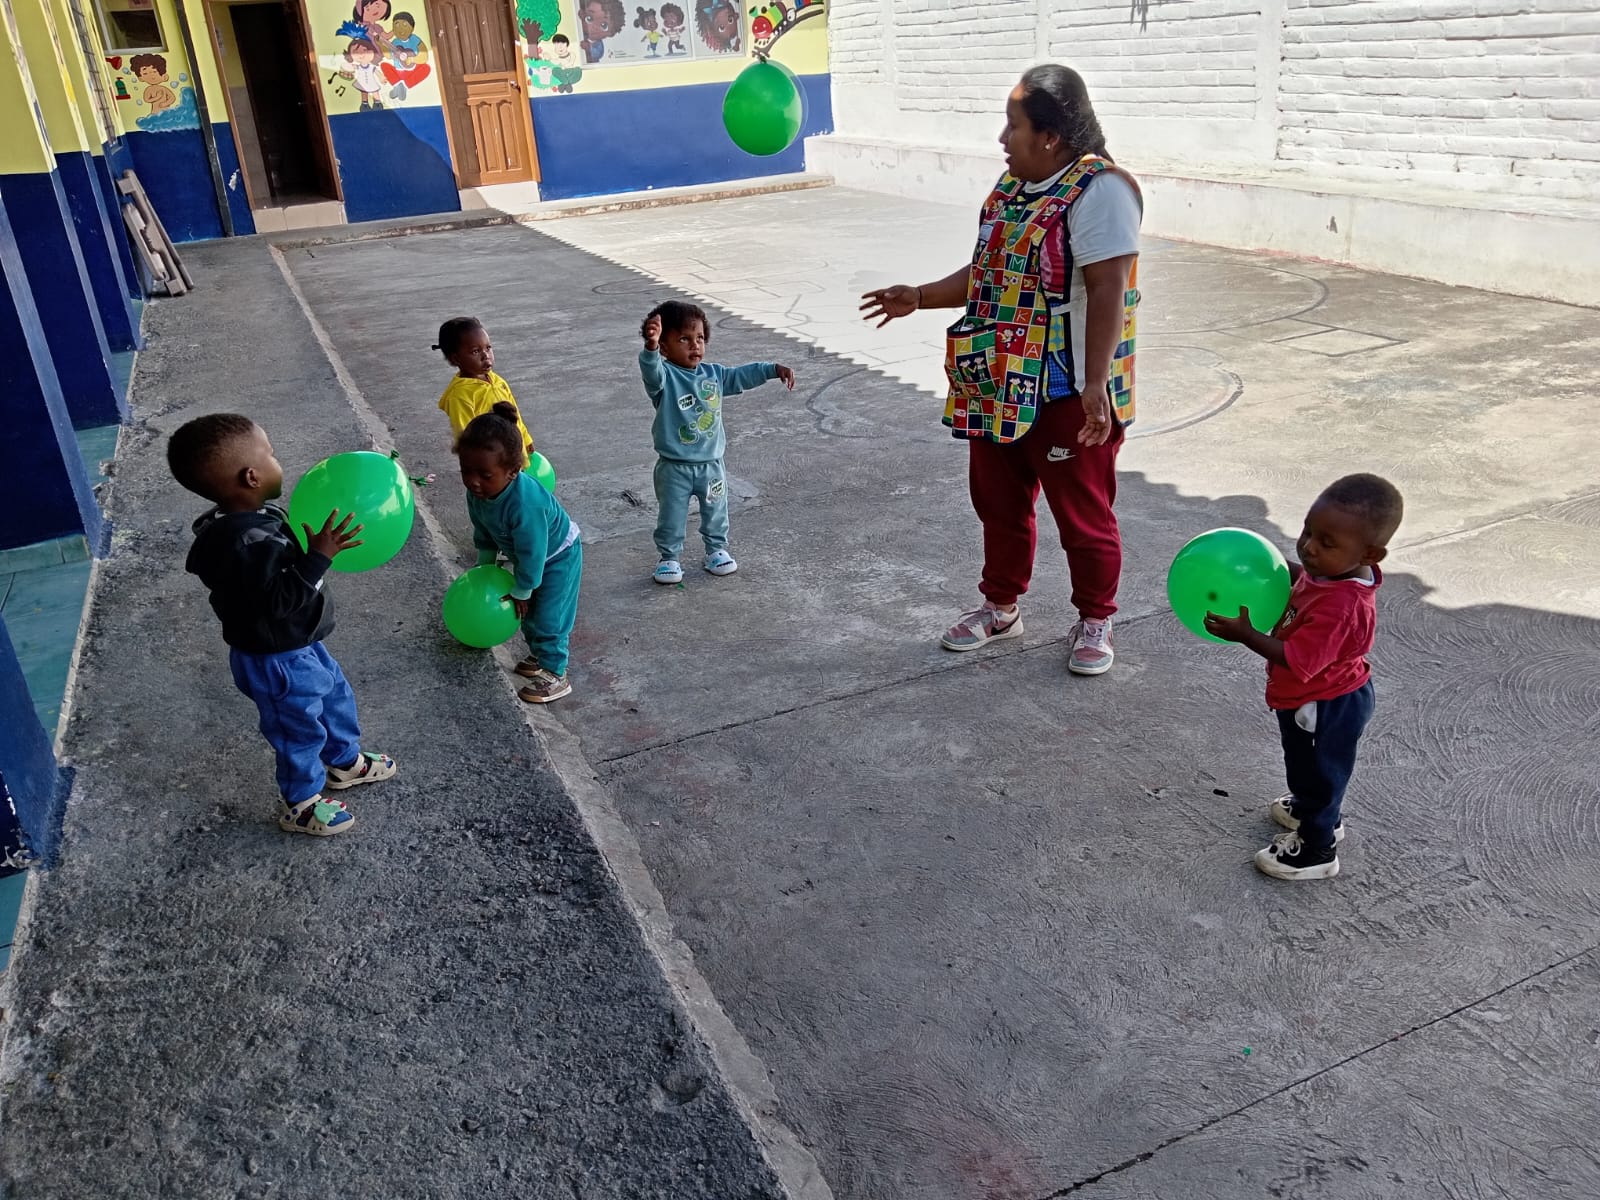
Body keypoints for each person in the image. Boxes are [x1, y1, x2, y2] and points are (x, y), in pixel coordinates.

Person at [860, 64, 1142, 677]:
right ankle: (1001, 607)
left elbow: (1108, 291)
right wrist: (921, 296)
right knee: (998, 503)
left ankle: (1096, 617)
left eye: (1013, 125)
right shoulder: (1014, 186)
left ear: (1051, 136)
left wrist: (1095, 385)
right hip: (994, 380)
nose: (1002, 138)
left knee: (1083, 515)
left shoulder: (1100, 191)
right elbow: (989, 273)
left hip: (1066, 388)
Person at [167, 414, 397, 837]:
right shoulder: (243, 543)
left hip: (299, 642)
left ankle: (344, 762)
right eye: (270, 454)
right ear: (251, 476)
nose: (278, 461)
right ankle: (301, 803)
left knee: (335, 697)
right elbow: (276, 601)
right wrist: (319, 557)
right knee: (297, 729)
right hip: (275, 659)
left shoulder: (251, 520)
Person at [1203, 475, 1404, 881]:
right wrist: (1276, 569)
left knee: (1318, 776)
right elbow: (1305, 581)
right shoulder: (1334, 571)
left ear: (1370, 553)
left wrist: (1247, 635)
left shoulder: (1341, 607)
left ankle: (1317, 847)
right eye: (1307, 532)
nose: (1310, 547)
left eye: (1326, 543)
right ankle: (1313, 810)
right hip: (1311, 698)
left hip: (1325, 705)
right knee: (1308, 768)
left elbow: (1298, 659)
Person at [638, 300, 795, 584]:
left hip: (711, 465)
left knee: (716, 512)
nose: (695, 345)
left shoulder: (714, 375)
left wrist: (772, 369)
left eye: (699, 338)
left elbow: (741, 376)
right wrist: (649, 348)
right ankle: (669, 558)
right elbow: (651, 372)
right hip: (674, 468)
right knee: (671, 516)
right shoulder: (664, 378)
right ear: (664, 347)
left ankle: (716, 550)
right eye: (684, 339)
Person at [457, 403, 582, 703]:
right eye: (466, 471)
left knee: (549, 616)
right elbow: (483, 532)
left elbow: (533, 551)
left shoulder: (525, 504)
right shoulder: (478, 494)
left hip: (558, 556)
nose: (474, 481)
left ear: (512, 472)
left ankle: (556, 673)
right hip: (530, 558)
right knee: (526, 616)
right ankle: (539, 655)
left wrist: (524, 588)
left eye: (485, 475)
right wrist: (484, 569)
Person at [434, 317, 535, 462]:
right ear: (455, 359)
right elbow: (464, 435)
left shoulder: (497, 381)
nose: (486, 355)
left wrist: (526, 438)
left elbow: (515, 414)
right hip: (493, 464)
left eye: (488, 348)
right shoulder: (460, 395)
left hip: (514, 455)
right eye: (476, 351)